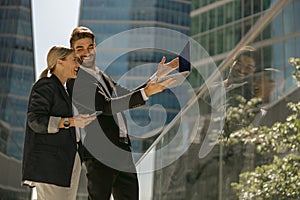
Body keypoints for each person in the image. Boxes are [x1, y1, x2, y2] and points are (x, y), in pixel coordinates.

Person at [67, 26, 179, 200]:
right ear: (73, 52)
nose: (86, 52)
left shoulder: (102, 76)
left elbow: (126, 95)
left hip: (122, 150)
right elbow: (106, 106)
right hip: (100, 153)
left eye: (89, 47)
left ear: (95, 47)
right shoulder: (76, 81)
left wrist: (156, 77)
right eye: (79, 48)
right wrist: (147, 93)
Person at [22, 46, 96, 200]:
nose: (78, 65)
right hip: (51, 166)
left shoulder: (64, 91)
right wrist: (72, 122)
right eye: (74, 60)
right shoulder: (46, 85)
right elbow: (35, 120)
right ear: (59, 62)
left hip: (66, 163)